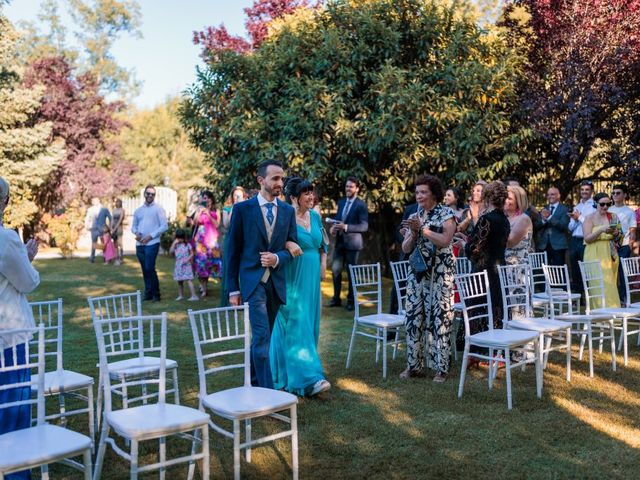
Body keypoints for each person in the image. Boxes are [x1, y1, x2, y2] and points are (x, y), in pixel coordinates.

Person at [226, 160, 298, 389]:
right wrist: (233, 289)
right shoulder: (242, 209)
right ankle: (269, 394)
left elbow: (292, 247)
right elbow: (232, 252)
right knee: (262, 336)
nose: (280, 183)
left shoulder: (287, 211)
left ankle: (252, 384)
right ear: (261, 180)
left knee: (260, 338)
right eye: (275, 178)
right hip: (252, 282)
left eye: (282, 179)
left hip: (275, 284)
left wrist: (277, 258)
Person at [270, 177, 331, 396]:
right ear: (294, 197)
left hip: (313, 275)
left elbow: (322, 243)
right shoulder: (285, 217)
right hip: (293, 275)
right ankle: (310, 378)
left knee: (310, 322)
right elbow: (274, 242)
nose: (311, 197)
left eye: (312, 193)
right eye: (306, 193)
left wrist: (323, 264)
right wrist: (288, 242)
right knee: (297, 323)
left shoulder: (315, 216)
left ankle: (293, 374)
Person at [0, 176, 40, 480]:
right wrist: (27, 257)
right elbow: (28, 282)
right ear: (3, 202)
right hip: (9, 337)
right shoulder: (6, 239)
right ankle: (15, 474)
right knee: (13, 409)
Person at [399, 175, 456, 383]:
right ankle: (414, 366)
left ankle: (441, 369)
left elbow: (445, 240)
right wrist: (414, 233)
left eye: (423, 192)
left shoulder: (446, 214)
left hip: (440, 275)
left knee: (440, 319)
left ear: (434, 193)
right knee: (413, 318)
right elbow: (405, 248)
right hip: (417, 275)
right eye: (417, 192)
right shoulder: (416, 214)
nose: (419, 196)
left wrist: (423, 229)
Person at [464, 181, 510, 329]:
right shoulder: (505, 220)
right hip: (498, 270)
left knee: (479, 310)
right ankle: (495, 346)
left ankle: (477, 347)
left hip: (483, 272)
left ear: (487, 198)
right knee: (495, 308)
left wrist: (466, 245)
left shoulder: (486, 219)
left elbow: (473, 248)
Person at [327, 176, 369, 311]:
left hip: (353, 245)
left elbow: (364, 226)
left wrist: (346, 227)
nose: (348, 189)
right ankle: (336, 299)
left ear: (357, 189)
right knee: (335, 271)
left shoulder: (361, 205)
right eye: (347, 186)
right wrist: (334, 227)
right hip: (339, 243)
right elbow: (338, 219)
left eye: (351, 186)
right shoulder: (341, 202)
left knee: (352, 274)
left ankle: (351, 301)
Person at [583, 193, 622, 308]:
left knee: (610, 283)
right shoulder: (589, 218)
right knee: (597, 283)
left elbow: (620, 237)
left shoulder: (613, 217)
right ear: (596, 204)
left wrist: (616, 233)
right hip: (593, 253)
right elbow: (587, 238)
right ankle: (598, 315)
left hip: (609, 253)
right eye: (602, 204)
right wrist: (601, 230)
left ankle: (613, 314)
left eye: (608, 204)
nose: (605, 207)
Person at [131, 185, 168, 302]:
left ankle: (156, 294)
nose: (150, 196)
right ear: (144, 194)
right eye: (148, 193)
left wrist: (150, 236)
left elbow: (164, 226)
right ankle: (148, 294)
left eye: (152, 194)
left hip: (152, 243)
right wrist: (136, 233)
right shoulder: (138, 211)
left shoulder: (159, 209)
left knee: (149, 267)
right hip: (140, 244)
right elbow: (133, 226)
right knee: (144, 269)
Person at [608, 184, 637, 304]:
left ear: (624, 195)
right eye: (613, 193)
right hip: (609, 245)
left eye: (618, 193)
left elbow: (633, 230)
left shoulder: (630, 212)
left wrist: (630, 245)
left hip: (624, 246)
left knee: (622, 273)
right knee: (610, 272)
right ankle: (612, 299)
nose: (615, 195)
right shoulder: (608, 210)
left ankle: (624, 299)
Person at [191, 190, 222, 299]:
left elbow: (217, 224)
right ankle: (203, 290)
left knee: (217, 265)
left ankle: (224, 288)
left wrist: (208, 213)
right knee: (201, 265)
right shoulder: (199, 209)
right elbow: (194, 222)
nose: (206, 199)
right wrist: (199, 211)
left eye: (208, 197)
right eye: (204, 197)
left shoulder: (216, 210)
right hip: (201, 243)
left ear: (211, 199)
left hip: (213, 241)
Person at [220, 186, 246, 306]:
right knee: (230, 265)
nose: (237, 197)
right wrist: (235, 208)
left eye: (240, 195)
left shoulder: (248, 207)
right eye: (235, 195)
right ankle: (230, 297)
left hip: (244, 241)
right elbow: (226, 224)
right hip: (230, 239)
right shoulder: (227, 209)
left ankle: (243, 299)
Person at [569, 180, 596, 292]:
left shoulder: (595, 206)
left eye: (587, 190)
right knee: (575, 269)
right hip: (575, 240)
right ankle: (578, 297)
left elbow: (592, 225)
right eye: (582, 189)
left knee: (587, 269)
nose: (584, 192)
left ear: (591, 191)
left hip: (587, 241)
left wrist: (579, 217)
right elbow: (570, 227)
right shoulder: (577, 206)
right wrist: (575, 220)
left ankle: (589, 295)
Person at [534, 187, 570, 266]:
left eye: (552, 194)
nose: (550, 196)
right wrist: (544, 220)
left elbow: (563, 226)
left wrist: (550, 217)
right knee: (544, 271)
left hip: (558, 246)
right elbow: (536, 226)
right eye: (548, 195)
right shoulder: (544, 209)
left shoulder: (565, 209)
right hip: (544, 245)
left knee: (559, 272)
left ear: (558, 196)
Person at [505, 185, 533, 265]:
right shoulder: (504, 218)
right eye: (505, 197)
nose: (505, 201)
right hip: (503, 266)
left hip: (518, 267)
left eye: (509, 198)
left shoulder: (523, 219)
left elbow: (510, 242)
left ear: (518, 201)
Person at [169, 228, 199, 302]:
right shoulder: (176, 245)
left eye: (181, 238)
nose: (180, 240)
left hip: (186, 264)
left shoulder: (187, 245)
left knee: (189, 280)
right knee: (179, 281)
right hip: (178, 265)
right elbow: (171, 252)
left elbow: (192, 253)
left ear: (184, 238)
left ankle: (194, 296)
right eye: (178, 238)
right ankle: (180, 295)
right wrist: (174, 243)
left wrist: (188, 259)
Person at [84, 197, 112, 263]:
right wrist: (87, 226)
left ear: (99, 200)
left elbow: (110, 218)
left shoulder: (104, 209)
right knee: (94, 243)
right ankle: (92, 258)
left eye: (95, 200)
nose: (94, 202)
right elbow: (87, 218)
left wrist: (109, 227)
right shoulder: (90, 209)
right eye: (93, 201)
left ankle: (106, 257)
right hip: (93, 229)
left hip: (103, 229)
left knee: (104, 244)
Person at [111, 198, 125, 264]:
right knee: (115, 243)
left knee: (120, 243)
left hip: (119, 228)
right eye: (116, 202)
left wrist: (115, 228)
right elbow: (112, 219)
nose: (117, 203)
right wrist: (111, 228)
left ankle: (121, 258)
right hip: (113, 228)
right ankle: (116, 257)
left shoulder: (122, 210)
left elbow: (120, 220)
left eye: (119, 202)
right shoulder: (114, 210)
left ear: (121, 203)